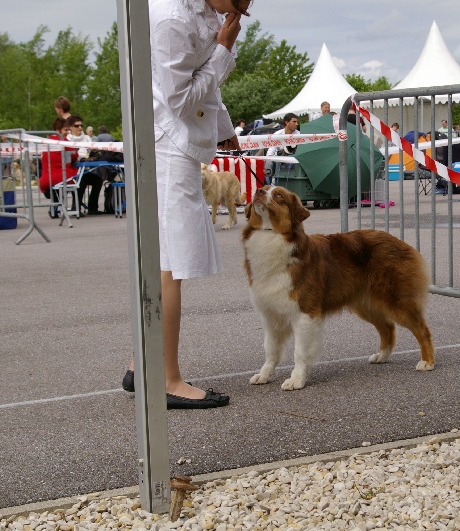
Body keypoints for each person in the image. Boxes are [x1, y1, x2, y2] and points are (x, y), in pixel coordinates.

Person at [122, 0, 252, 408]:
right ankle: (166, 380)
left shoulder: (203, 12)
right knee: (169, 264)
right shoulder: (171, 20)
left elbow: (199, 80)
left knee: (166, 261)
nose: (243, 11)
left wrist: (223, 127)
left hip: (177, 142)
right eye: (238, 3)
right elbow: (180, 97)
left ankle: (139, 365)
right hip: (167, 146)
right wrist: (225, 50)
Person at [67, 115, 104, 215]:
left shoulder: (87, 138)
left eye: (81, 125)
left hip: (86, 168)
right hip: (73, 171)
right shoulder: (67, 139)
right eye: (76, 126)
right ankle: (76, 208)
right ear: (70, 127)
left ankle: (92, 208)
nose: (79, 128)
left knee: (98, 180)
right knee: (81, 181)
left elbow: (91, 151)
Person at [39, 117, 78, 201]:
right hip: (62, 177)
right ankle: (76, 206)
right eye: (65, 130)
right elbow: (75, 156)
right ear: (57, 130)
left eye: (68, 130)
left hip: (45, 179)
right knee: (82, 178)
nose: (67, 132)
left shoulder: (46, 141)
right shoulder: (63, 141)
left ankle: (55, 205)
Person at [266, 112, 299, 183]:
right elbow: (270, 151)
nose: (296, 124)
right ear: (287, 122)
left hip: (293, 159)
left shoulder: (299, 134)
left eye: (297, 122)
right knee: (268, 162)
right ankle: (268, 186)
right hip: (279, 159)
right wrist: (269, 159)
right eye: (294, 122)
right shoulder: (277, 134)